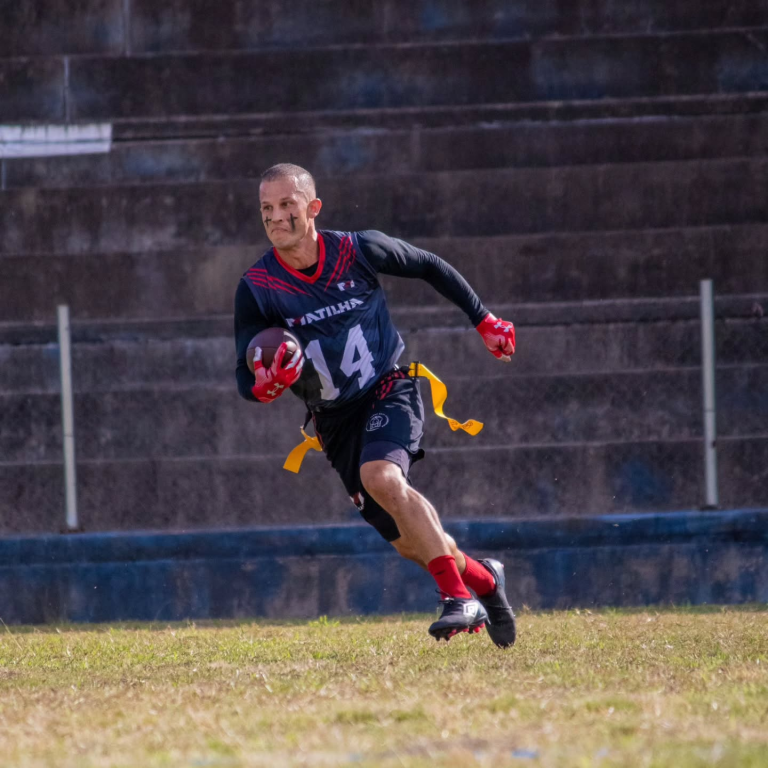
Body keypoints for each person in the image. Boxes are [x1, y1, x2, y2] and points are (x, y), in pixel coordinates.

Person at [234, 163, 517, 646]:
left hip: (388, 385)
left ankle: (457, 597)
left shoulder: (356, 249)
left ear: (313, 207)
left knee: (382, 477)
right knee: (410, 543)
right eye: (266, 209)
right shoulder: (257, 286)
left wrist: (483, 318)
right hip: (333, 419)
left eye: (286, 205)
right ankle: (485, 579)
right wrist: (262, 384)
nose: (276, 217)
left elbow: (428, 264)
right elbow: (244, 374)